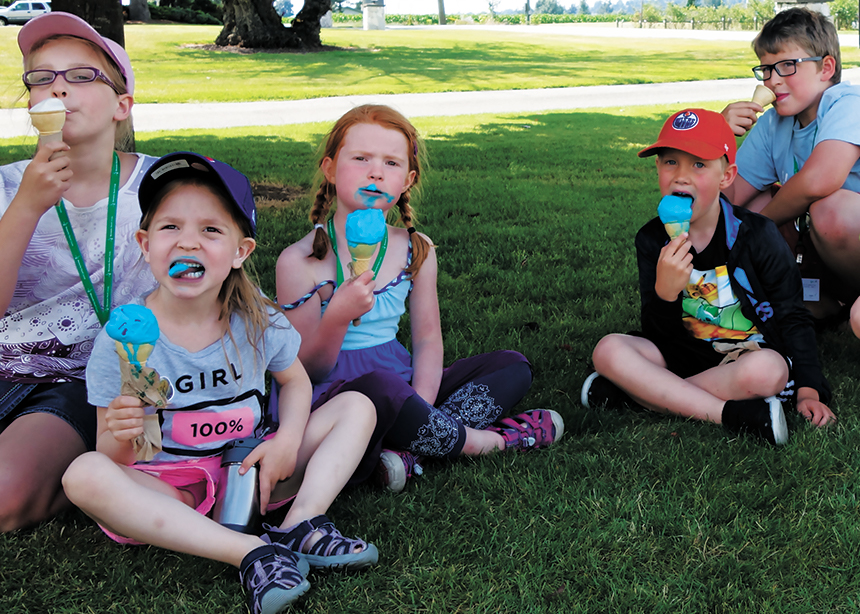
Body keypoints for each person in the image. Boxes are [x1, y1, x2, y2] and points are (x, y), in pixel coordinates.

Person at [62, 153, 378, 614]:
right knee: (84, 474)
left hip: (253, 474)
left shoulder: (259, 319)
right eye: (170, 228)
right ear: (145, 244)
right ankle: (251, 553)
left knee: (357, 407)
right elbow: (113, 457)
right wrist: (125, 429)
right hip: (170, 492)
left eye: (210, 230)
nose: (188, 242)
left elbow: (296, 382)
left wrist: (287, 440)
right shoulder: (121, 340)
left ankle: (301, 521)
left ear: (240, 251)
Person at [275, 104, 563, 493]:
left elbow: (427, 339)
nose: (375, 172)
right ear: (329, 168)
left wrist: (422, 403)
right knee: (380, 387)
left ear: (407, 180)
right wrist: (337, 317)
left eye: (391, 163)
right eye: (360, 158)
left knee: (513, 367)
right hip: (337, 403)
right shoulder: (300, 261)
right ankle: (485, 442)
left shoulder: (416, 249)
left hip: (403, 382)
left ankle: (411, 449)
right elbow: (305, 372)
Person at [581, 108, 835, 445]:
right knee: (608, 349)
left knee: (770, 370)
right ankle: (733, 415)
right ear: (657, 168)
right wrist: (664, 294)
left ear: (727, 176)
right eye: (670, 161)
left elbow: (792, 314)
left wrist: (808, 390)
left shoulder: (757, 235)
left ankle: (634, 395)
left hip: (746, 355)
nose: (681, 176)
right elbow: (659, 333)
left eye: (699, 164)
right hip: (683, 353)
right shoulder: (651, 239)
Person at [0, 12, 158, 531]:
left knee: (5, 496)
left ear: (122, 105)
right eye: (41, 77)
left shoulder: (164, 187)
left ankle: (79, 471)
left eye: (81, 75)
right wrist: (26, 207)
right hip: (6, 359)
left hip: (79, 380)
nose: (57, 88)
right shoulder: (6, 187)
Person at [720, 8, 860, 323]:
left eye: (787, 66)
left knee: (829, 208)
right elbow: (724, 202)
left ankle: (849, 299)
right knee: (752, 205)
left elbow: (820, 180)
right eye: (766, 69)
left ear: (826, 68)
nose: (773, 80)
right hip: (823, 252)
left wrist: (758, 231)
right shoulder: (774, 124)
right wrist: (717, 138)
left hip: (846, 234)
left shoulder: (849, 102)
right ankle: (827, 301)